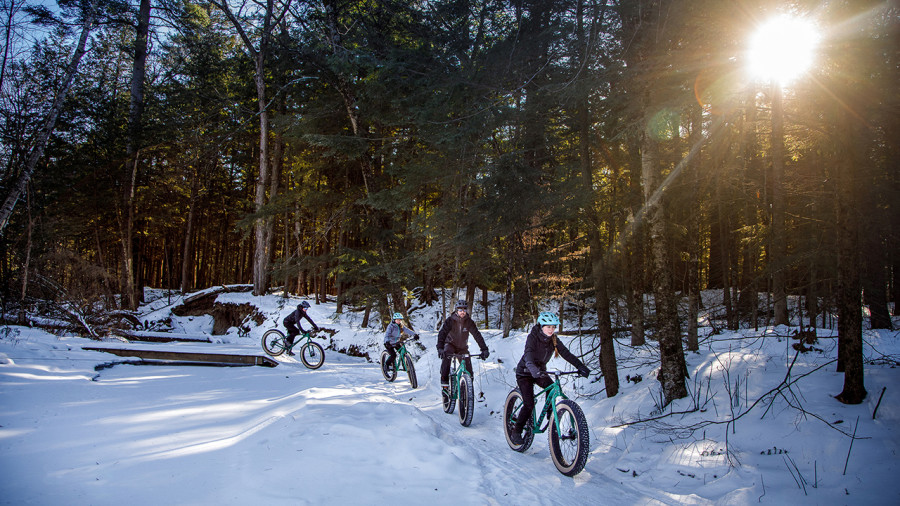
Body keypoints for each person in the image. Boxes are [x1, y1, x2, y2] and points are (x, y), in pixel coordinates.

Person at [509, 311, 590, 445]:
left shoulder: (554, 340)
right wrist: (533, 369)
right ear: (541, 326)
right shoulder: (533, 337)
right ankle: (516, 431)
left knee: (551, 388)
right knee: (529, 404)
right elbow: (528, 355)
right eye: (548, 327)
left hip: (540, 372)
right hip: (525, 373)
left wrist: (581, 366)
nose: (551, 330)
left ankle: (549, 413)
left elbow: (566, 354)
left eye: (553, 327)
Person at [437, 300, 489, 394]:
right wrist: (440, 348)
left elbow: (477, 335)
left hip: (462, 348)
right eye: (460, 310)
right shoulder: (450, 320)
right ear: (456, 310)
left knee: (469, 371)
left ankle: (466, 391)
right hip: (450, 344)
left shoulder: (469, 322)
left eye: (464, 309)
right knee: (446, 355)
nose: (462, 312)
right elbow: (442, 334)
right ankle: (444, 382)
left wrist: (484, 349)